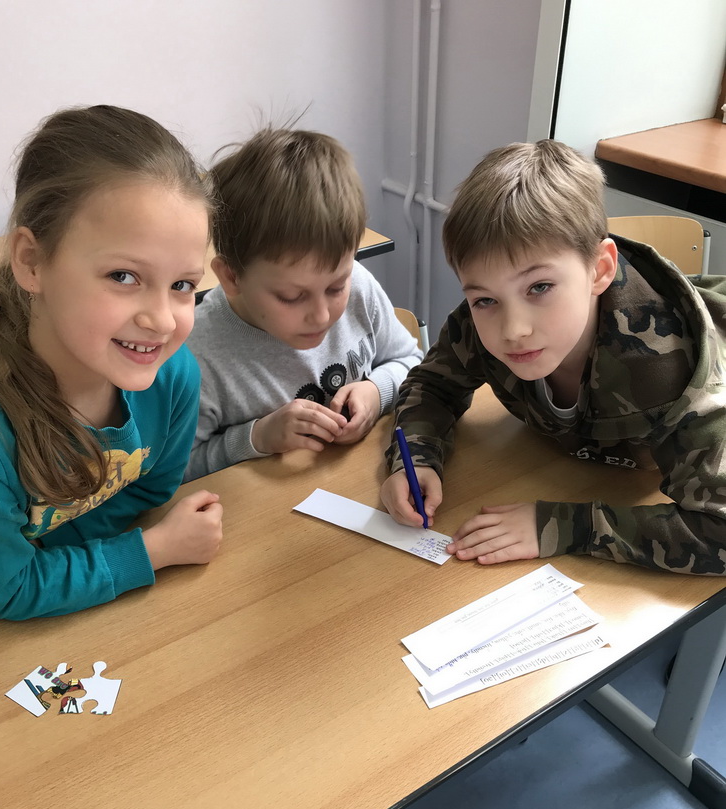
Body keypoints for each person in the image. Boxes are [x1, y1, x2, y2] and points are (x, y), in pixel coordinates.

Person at [381, 139, 726, 576]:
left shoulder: (671, 369)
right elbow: (432, 384)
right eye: (485, 299)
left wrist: (568, 526)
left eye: (539, 287)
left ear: (600, 270)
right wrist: (416, 456)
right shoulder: (480, 321)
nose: (513, 329)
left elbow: (720, 532)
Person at [0, 105, 224, 620]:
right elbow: (8, 589)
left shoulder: (173, 378)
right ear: (31, 261)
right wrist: (152, 551)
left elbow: (151, 487)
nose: (162, 320)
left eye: (182, 285)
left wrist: (65, 561)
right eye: (124, 277)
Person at [184, 127, 422, 479]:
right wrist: (256, 437)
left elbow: (410, 361)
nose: (322, 316)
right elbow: (176, 472)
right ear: (232, 278)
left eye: (336, 287)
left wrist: (377, 391)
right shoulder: (196, 356)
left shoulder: (359, 285)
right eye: (292, 297)